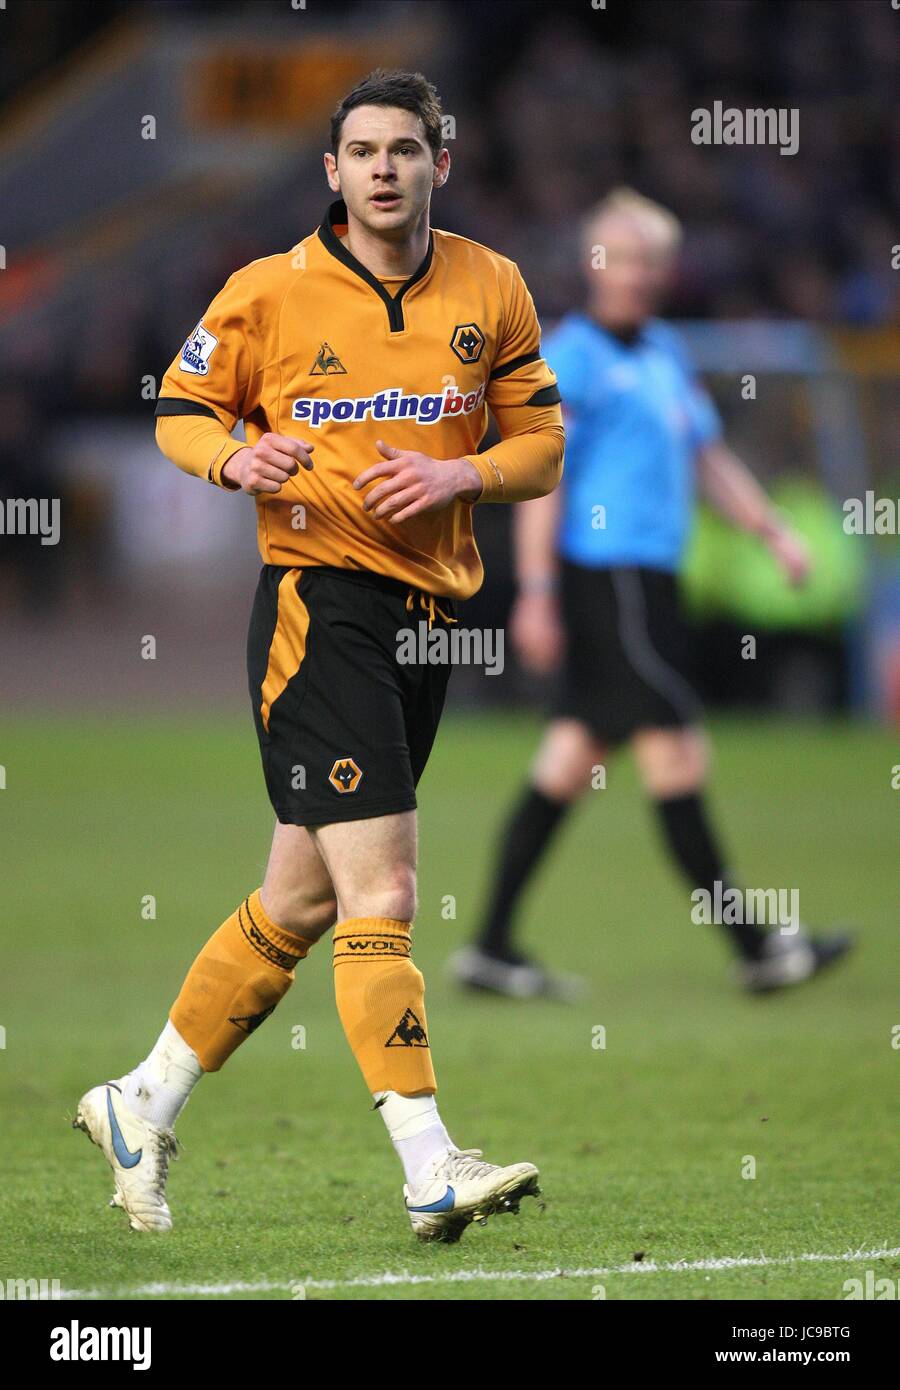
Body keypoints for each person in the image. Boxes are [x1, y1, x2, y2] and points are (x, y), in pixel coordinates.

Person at [72, 69, 564, 1244]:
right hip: (319, 608)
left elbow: (542, 443)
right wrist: (228, 459)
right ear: (332, 173)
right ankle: (430, 1163)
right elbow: (180, 409)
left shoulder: (492, 285)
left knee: (296, 898)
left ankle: (141, 1099)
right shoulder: (266, 291)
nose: (384, 168)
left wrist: (462, 471)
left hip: (431, 620)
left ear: (440, 163)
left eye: (406, 148)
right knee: (381, 893)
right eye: (362, 151)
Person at [452, 188, 852, 1001]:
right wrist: (535, 593)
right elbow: (542, 483)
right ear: (596, 263)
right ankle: (757, 946)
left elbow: (707, 459)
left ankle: (490, 947)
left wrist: (771, 530)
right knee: (677, 747)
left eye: (653, 261)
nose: (640, 274)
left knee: (569, 759)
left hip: (652, 582)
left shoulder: (665, 353)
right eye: (625, 258)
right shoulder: (575, 360)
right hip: (610, 581)